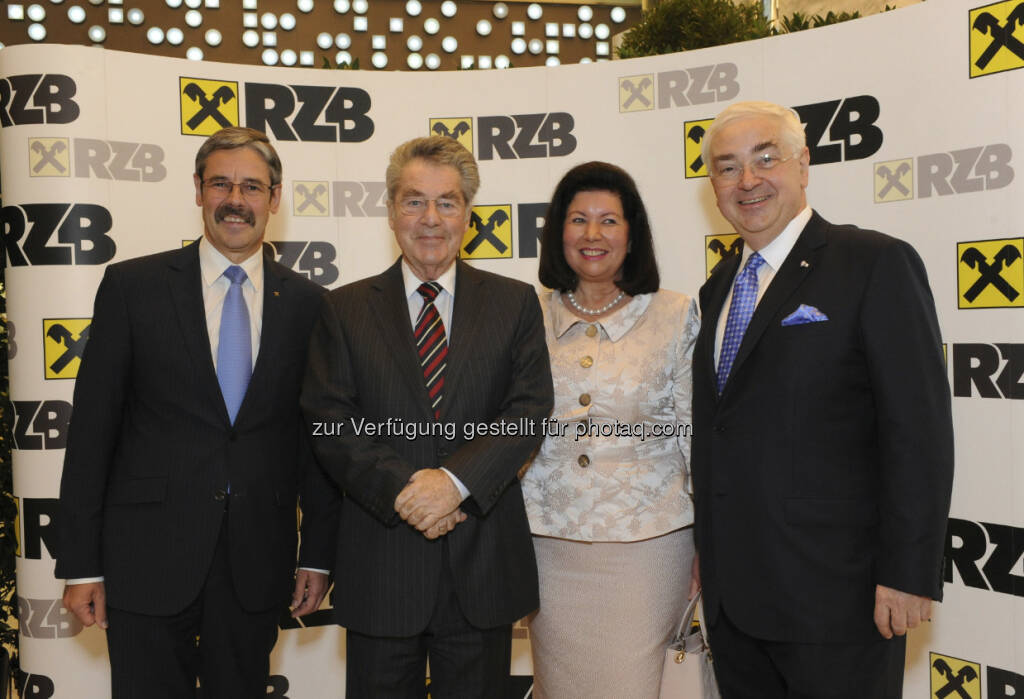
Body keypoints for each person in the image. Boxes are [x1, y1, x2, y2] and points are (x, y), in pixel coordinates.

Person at [56, 127, 338, 698]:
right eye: (222, 184)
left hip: (257, 562)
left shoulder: (309, 304)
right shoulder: (132, 287)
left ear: (275, 199)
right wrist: (81, 565)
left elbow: (316, 443)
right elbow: (92, 433)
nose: (236, 199)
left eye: (253, 187)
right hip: (146, 558)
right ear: (197, 190)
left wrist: (319, 555)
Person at [691, 101, 954, 698]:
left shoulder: (874, 262)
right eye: (727, 168)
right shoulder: (717, 288)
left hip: (840, 599)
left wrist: (908, 574)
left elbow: (919, 429)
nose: (747, 180)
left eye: (766, 158)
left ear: (803, 164)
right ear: (714, 186)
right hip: (736, 603)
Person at [301, 135, 553, 698]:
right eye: (414, 201)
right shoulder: (342, 310)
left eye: (448, 201)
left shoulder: (514, 303)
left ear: (468, 211)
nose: (431, 219)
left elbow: (528, 410)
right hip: (381, 568)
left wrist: (455, 484)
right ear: (391, 210)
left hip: (482, 568)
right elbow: (330, 420)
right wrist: (408, 489)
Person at [521, 161, 699, 698]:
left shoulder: (676, 314)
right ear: (558, 232)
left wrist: (710, 542)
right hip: (545, 547)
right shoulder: (525, 316)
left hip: (648, 550)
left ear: (632, 232)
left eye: (609, 220)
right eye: (578, 220)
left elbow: (696, 435)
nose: (592, 235)